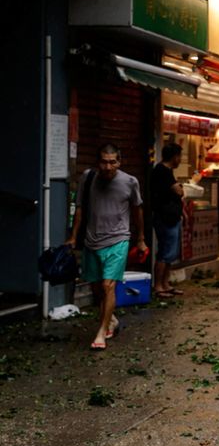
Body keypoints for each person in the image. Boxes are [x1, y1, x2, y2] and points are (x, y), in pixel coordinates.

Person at [67, 143, 147, 350]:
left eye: (112, 162)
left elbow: (138, 211)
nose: (108, 166)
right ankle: (110, 319)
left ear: (119, 162)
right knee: (96, 288)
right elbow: (80, 208)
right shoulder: (88, 177)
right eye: (104, 161)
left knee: (107, 285)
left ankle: (101, 332)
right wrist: (73, 236)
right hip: (92, 240)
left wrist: (140, 239)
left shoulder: (130, 182)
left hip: (118, 240)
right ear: (98, 162)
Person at [150, 143, 185, 298]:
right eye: (179, 156)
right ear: (175, 156)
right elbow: (178, 191)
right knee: (165, 252)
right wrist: (179, 189)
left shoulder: (167, 171)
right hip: (165, 218)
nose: (180, 160)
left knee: (170, 253)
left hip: (172, 217)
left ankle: (165, 283)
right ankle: (158, 286)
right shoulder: (161, 171)